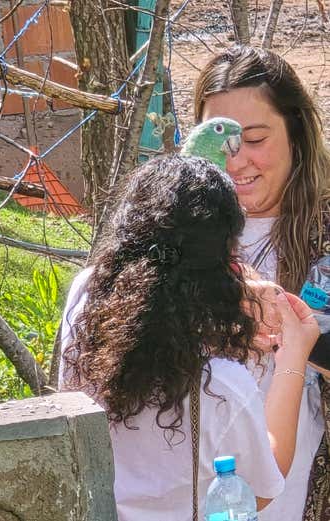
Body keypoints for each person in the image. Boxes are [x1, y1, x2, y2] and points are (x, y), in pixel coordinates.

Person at [58, 155, 319, 521]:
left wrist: (231, 297)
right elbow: (260, 488)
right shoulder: (222, 387)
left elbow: (153, 289)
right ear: (227, 259)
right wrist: (293, 357)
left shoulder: (84, 295)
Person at [194, 45, 330, 520]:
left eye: (254, 138)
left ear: (296, 133)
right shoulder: (172, 232)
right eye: (220, 137)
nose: (235, 161)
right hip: (187, 489)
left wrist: (286, 331)